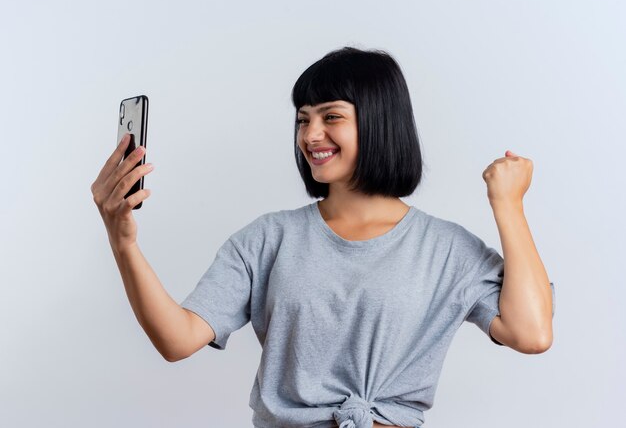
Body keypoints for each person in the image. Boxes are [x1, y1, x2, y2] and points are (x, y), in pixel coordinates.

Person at [91, 46, 556, 428]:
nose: (311, 134)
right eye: (302, 119)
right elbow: (178, 340)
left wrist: (508, 205)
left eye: (331, 116)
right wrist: (123, 242)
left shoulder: (446, 249)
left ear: (378, 120)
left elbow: (531, 333)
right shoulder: (268, 238)